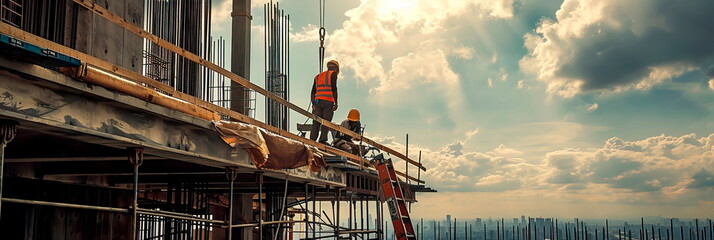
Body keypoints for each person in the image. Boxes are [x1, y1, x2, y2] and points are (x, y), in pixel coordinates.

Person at [310, 60, 339, 144]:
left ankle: (312, 141)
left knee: (316, 122)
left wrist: (313, 103)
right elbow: (334, 89)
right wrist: (336, 103)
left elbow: (312, 92)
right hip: (328, 102)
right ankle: (322, 140)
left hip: (318, 102)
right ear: (336, 68)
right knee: (326, 122)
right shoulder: (332, 74)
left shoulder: (318, 76)